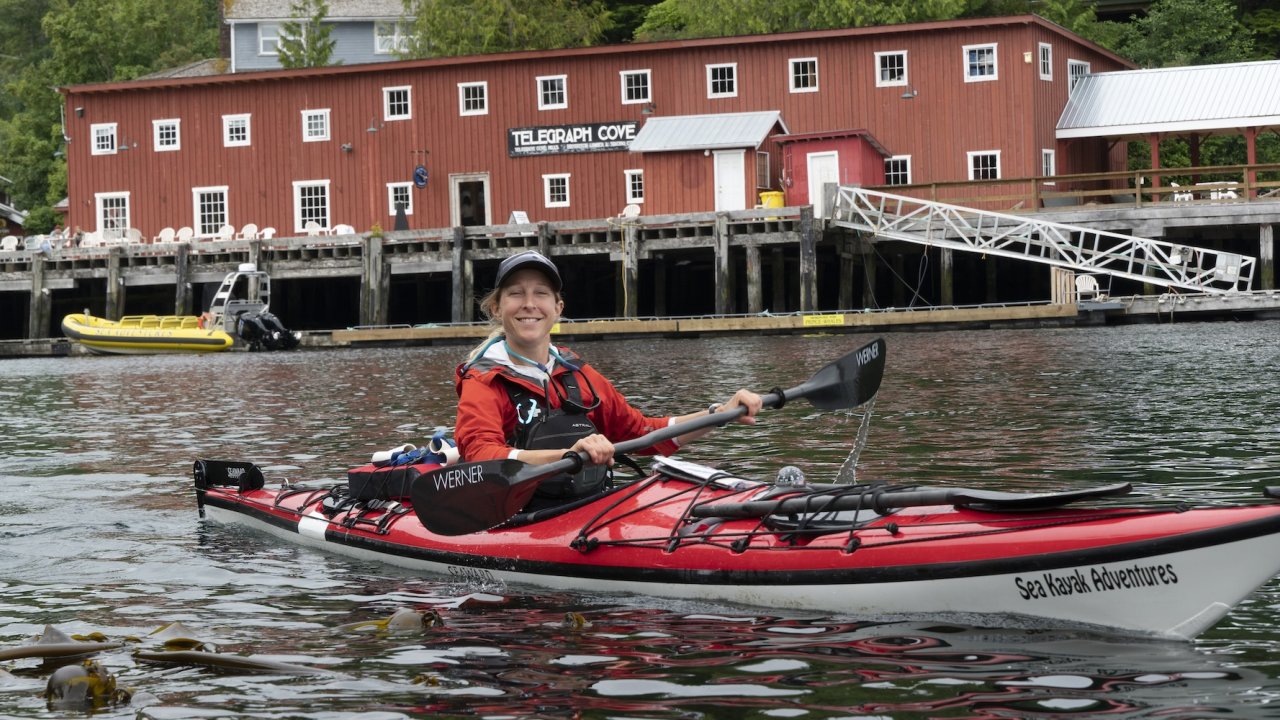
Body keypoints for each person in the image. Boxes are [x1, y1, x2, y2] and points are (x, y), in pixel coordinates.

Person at [454, 250, 763, 511]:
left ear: (557, 309)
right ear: (496, 308)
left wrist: (719, 414)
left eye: (541, 293)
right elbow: (481, 455)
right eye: (516, 293)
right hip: (522, 516)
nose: (529, 304)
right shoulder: (483, 379)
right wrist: (569, 455)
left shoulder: (577, 373)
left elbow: (641, 432)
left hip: (586, 508)